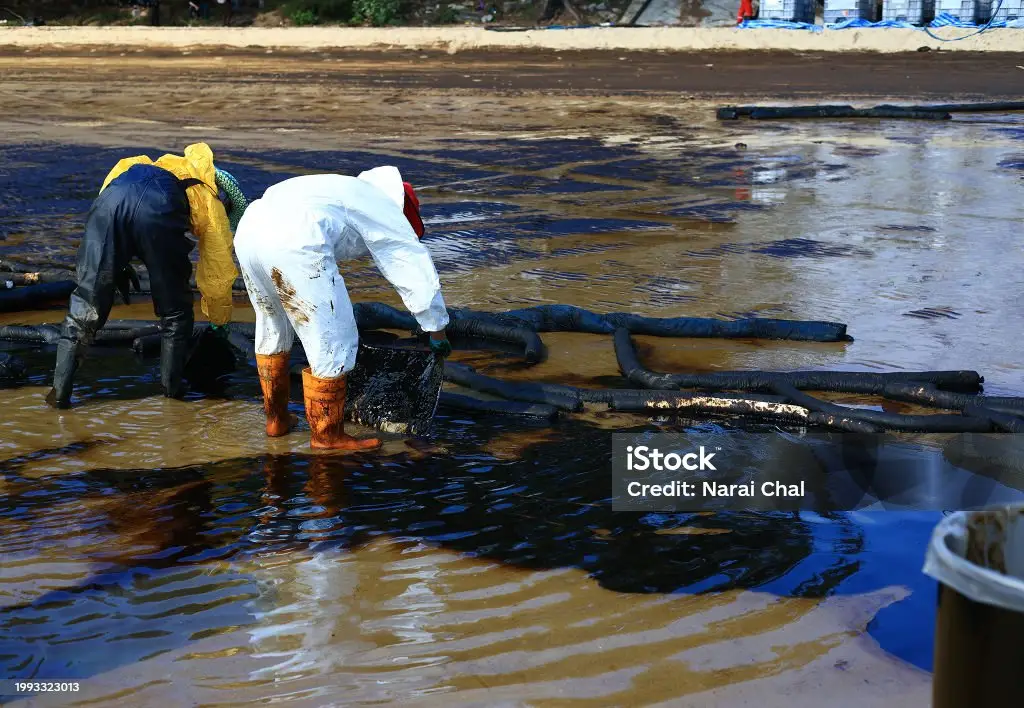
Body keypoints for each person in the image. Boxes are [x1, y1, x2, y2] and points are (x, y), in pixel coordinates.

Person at [233, 167, 452, 451]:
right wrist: (437, 331)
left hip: (250, 230)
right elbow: (412, 268)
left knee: (272, 323)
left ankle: (277, 420)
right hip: (295, 237)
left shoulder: (340, 188)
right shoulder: (384, 208)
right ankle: (327, 437)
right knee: (332, 337)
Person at [46, 142, 247, 409]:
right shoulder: (210, 201)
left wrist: (119, 262)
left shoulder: (140, 163)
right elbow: (217, 271)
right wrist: (219, 320)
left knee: (85, 305)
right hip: (159, 209)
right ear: (224, 196)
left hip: (110, 201)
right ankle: (172, 396)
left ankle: (58, 395)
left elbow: (111, 198)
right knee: (175, 312)